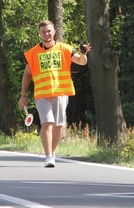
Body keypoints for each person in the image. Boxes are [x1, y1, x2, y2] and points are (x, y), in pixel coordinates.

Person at [20, 20, 90, 168]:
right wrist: (23, 95)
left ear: (54, 32)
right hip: (42, 94)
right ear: (40, 34)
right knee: (47, 123)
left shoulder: (65, 49)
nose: (47, 34)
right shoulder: (32, 53)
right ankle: (48, 156)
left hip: (61, 93)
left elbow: (82, 62)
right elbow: (27, 75)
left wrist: (83, 53)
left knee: (58, 125)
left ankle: (52, 152)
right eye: (44, 32)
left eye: (49, 31)